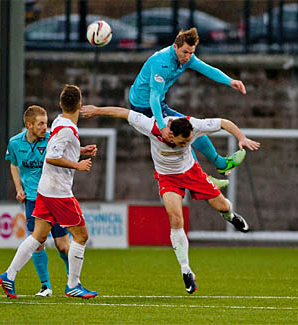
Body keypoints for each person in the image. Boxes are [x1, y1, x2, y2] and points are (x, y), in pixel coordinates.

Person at [81, 104, 260, 294]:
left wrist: (241, 138)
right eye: (183, 143)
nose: (186, 146)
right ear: (171, 135)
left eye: (188, 142)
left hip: (192, 173)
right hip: (167, 177)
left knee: (222, 206)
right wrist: (96, 110)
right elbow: (124, 113)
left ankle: (231, 216)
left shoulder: (194, 125)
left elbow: (224, 122)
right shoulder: (152, 127)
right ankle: (186, 270)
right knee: (176, 218)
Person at [0, 85, 98, 299]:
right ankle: (73, 285)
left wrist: (79, 150)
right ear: (80, 105)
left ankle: (9, 275)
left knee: (38, 236)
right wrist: (77, 164)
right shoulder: (67, 128)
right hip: (58, 191)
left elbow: (55, 146)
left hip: (44, 189)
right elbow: (52, 156)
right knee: (81, 236)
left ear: (61, 105)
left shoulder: (60, 123)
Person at [129, 27, 247, 185]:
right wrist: (163, 126)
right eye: (185, 52)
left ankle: (220, 165)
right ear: (175, 47)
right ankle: (203, 179)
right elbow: (154, 97)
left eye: (191, 52)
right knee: (183, 136)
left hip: (158, 104)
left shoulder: (188, 58)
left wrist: (230, 81)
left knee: (191, 130)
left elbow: (207, 69)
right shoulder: (162, 63)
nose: (188, 57)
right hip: (144, 107)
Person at [5, 105, 70, 297]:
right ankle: (45, 286)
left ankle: (73, 280)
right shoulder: (15, 143)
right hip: (33, 200)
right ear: (29, 125)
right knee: (38, 243)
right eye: (41, 124)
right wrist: (19, 189)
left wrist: (83, 151)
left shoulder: (51, 139)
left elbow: (67, 154)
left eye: (46, 123)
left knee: (63, 246)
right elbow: (14, 166)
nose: (45, 127)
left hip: (55, 197)